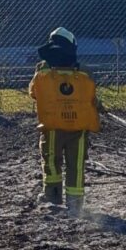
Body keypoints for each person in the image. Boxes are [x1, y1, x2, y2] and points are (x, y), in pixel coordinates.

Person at [29, 27, 101, 213]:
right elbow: (91, 99)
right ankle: (75, 202)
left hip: (52, 127)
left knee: (51, 160)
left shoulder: (43, 70)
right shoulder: (84, 72)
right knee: (76, 164)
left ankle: (52, 196)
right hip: (78, 128)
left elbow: (33, 93)